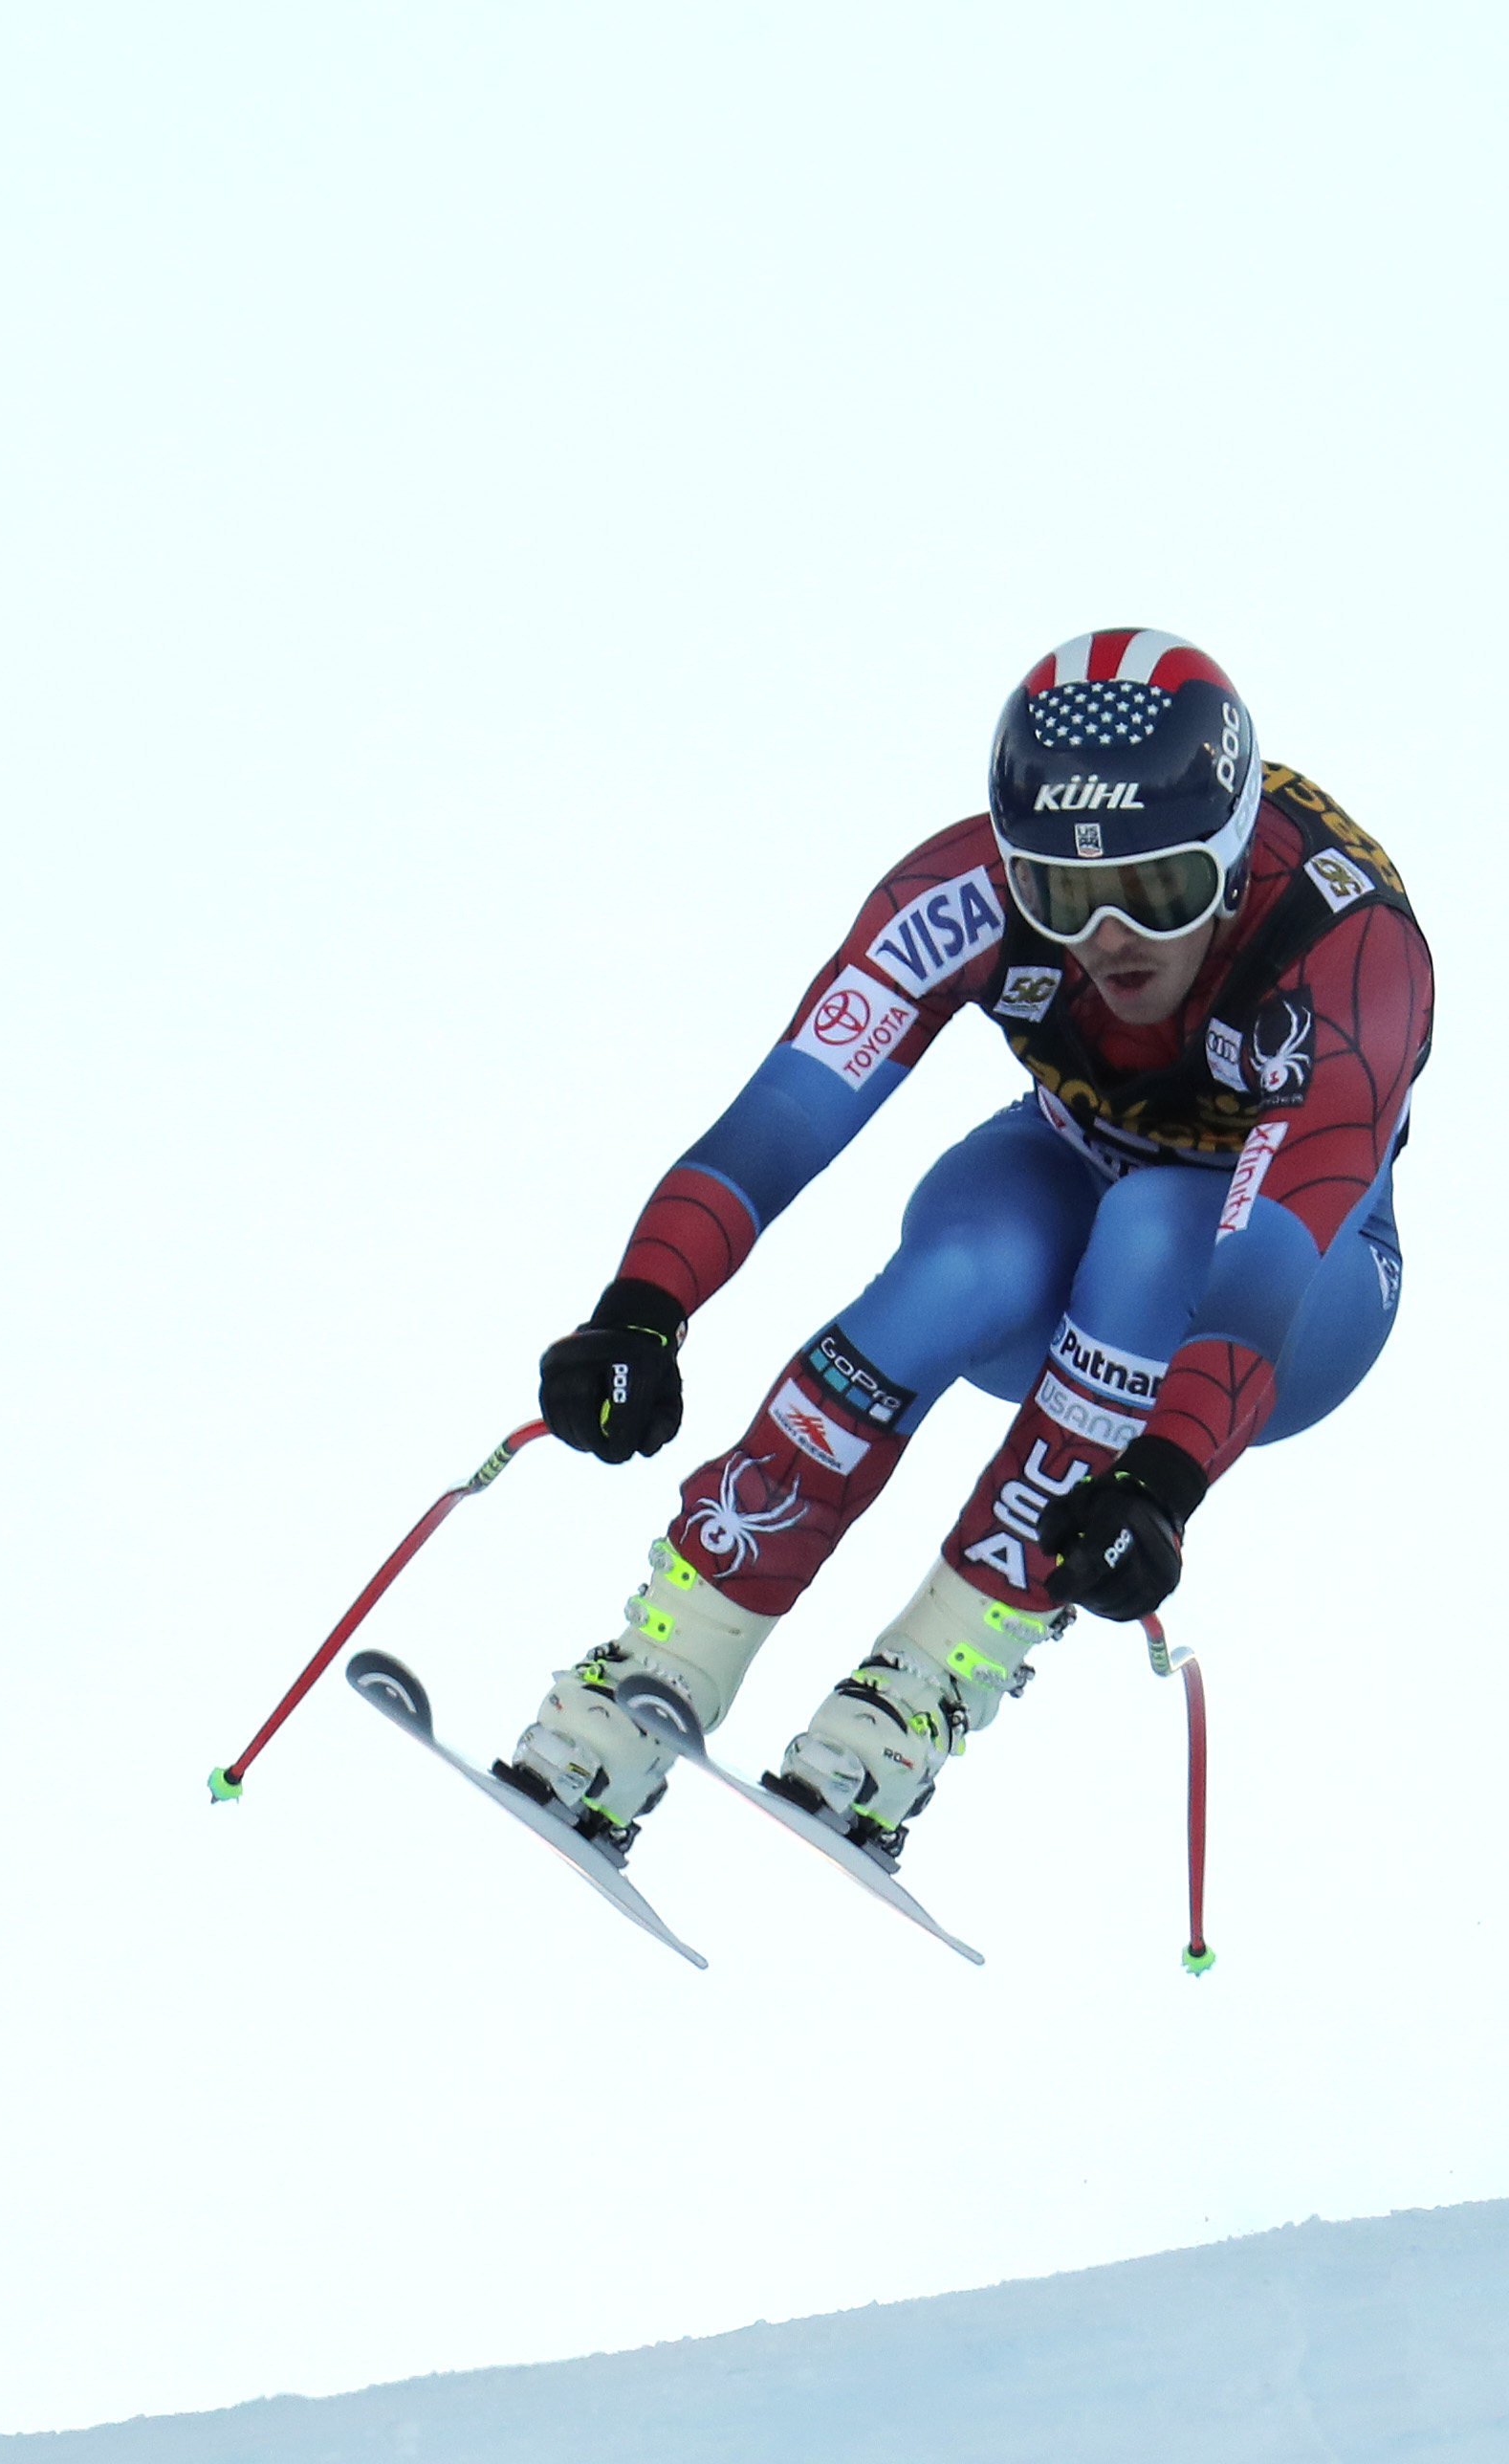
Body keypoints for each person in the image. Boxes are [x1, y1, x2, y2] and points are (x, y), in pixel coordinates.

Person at [503, 629, 1432, 1867]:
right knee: (966, 1261)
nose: (1111, 937)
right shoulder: (960, 891)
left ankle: (915, 1698)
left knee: (1156, 1230)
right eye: (1061, 896)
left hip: (1289, 1296)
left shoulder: (1348, 952)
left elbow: (1260, 1275)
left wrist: (1161, 1481)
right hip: (1067, 1198)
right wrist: (640, 1308)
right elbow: (781, 1121)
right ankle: (660, 1664)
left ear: (1228, 856)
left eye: (1157, 892)